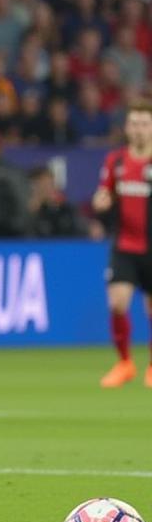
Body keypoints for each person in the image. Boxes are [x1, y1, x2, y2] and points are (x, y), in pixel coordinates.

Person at [91, 101, 152, 389]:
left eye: (144, 123)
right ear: (127, 127)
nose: (139, 129)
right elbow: (104, 194)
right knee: (117, 303)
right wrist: (101, 201)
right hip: (125, 245)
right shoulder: (115, 161)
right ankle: (125, 362)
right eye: (134, 123)